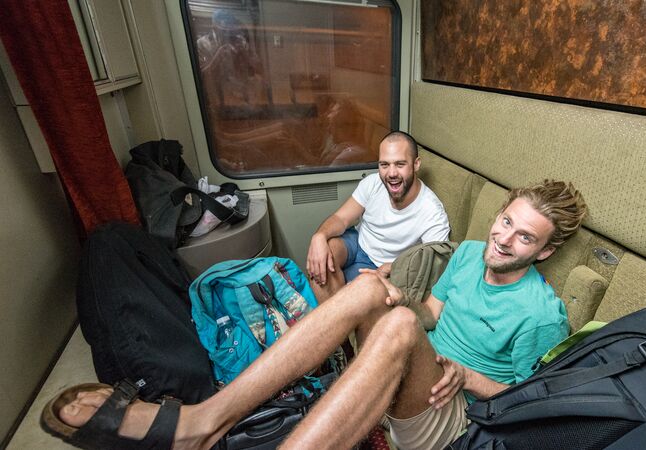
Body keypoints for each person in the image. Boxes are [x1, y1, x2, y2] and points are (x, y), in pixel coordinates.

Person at [44, 180, 587, 450]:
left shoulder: (541, 314)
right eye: (505, 221)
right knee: (371, 292)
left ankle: (213, 424)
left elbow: (531, 405)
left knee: (393, 322)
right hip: (415, 368)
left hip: (455, 415)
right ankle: (204, 420)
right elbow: (431, 313)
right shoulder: (468, 254)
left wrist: (466, 374)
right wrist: (394, 298)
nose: (503, 238)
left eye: (524, 236)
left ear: (542, 252)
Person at [305, 131, 450, 302]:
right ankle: (338, 316)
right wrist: (319, 236)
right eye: (384, 164)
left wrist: (393, 268)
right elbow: (341, 218)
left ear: (416, 164)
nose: (391, 173)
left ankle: (339, 317)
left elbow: (436, 266)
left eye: (400, 164)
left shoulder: (432, 211)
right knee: (324, 255)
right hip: (358, 244)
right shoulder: (372, 183)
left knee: (360, 298)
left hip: (388, 267)